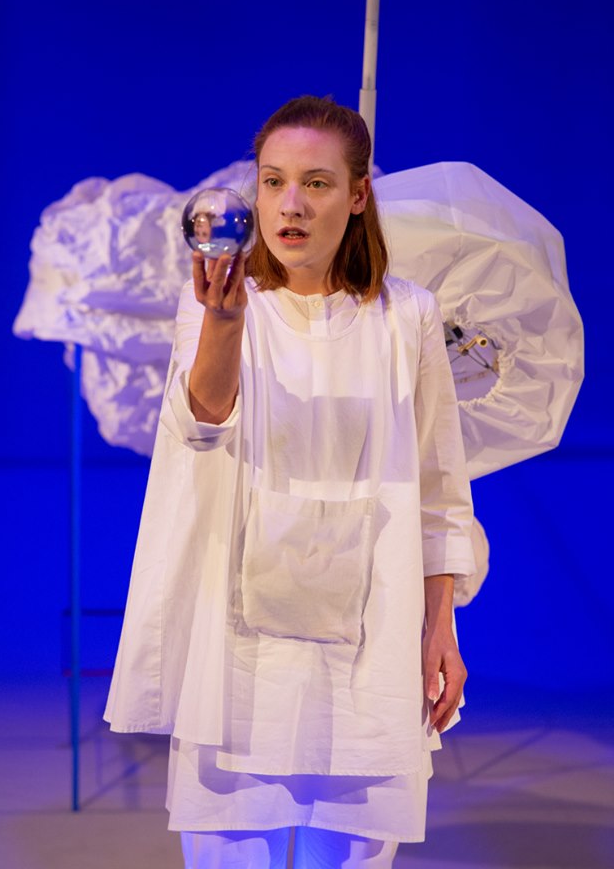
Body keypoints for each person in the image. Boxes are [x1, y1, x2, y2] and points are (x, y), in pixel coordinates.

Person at [105, 96, 476, 868]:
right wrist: (223, 324)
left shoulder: (407, 316)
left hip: (369, 642)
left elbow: (438, 488)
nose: (291, 204)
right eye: (273, 181)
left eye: (316, 182)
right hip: (238, 650)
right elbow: (201, 424)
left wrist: (440, 626)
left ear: (358, 194)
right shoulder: (221, 306)